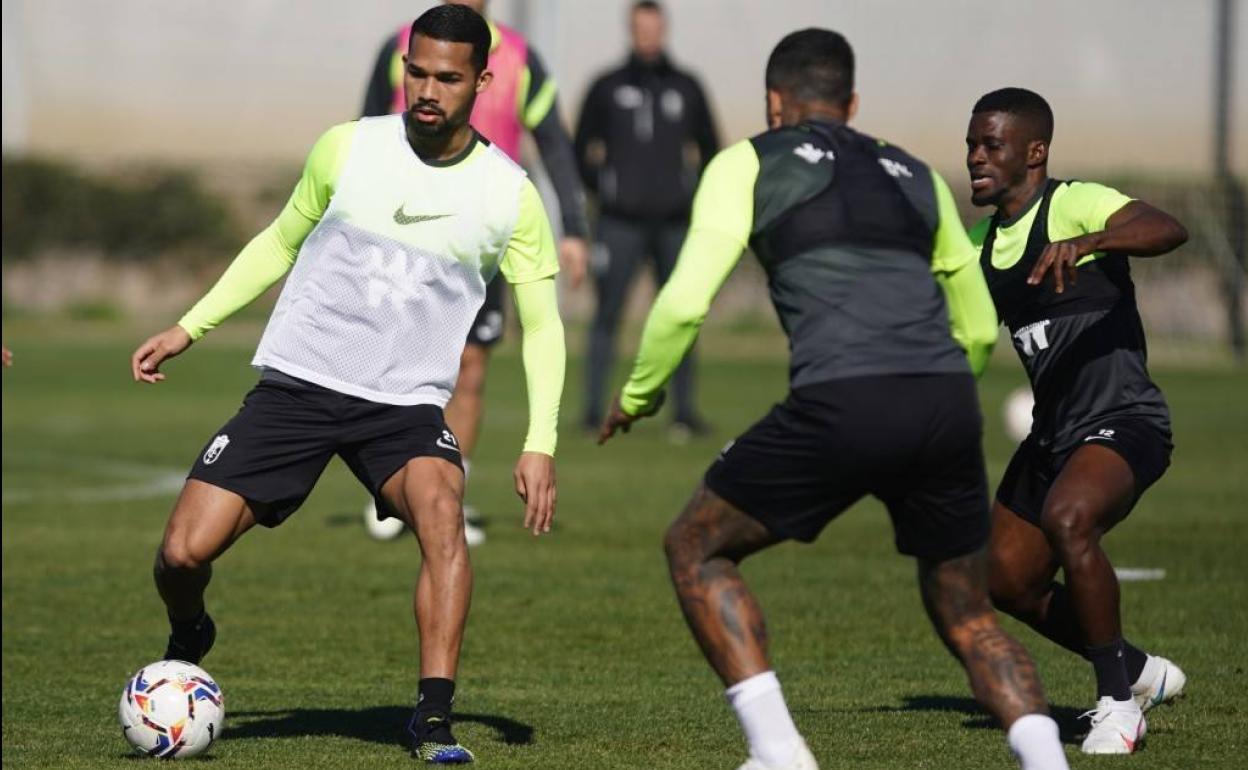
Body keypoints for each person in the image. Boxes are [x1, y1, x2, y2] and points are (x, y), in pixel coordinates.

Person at [600, 29, 1069, 770]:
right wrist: (933, 399)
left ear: (773, 103)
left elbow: (683, 303)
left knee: (695, 547)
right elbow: (977, 321)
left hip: (844, 399)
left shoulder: (746, 161)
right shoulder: (913, 173)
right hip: (944, 401)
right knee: (968, 612)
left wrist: (639, 397)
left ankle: (778, 750)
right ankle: (1047, 760)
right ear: (851, 105)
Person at [130, 5, 564, 763]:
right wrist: (188, 327)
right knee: (181, 556)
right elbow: (279, 241)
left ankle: (431, 720)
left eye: (448, 78)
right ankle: (192, 630)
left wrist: (540, 443)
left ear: (483, 81)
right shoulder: (347, 147)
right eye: (417, 72)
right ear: (404, 67)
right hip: (298, 388)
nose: (428, 90)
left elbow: (547, 324)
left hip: (402, 410)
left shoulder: (509, 194)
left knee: (442, 514)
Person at [966, 87, 1189, 755]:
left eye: (990, 145)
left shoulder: (1075, 202)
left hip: (1126, 420)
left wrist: (1091, 241)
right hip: (1052, 436)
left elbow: (1167, 228)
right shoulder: (979, 246)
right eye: (971, 145)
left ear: (1033, 153)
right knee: (1005, 578)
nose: (975, 157)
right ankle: (1140, 670)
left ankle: (1118, 707)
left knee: (1069, 519)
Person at [362, 0, 588, 543]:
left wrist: (574, 226)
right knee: (391, 363)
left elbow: (554, 141)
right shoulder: (400, 45)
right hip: (405, 229)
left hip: (482, 238)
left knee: (471, 369)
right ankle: (387, 487)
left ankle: (445, 497)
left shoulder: (519, 56)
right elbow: (363, 132)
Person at [576, 0, 718, 438]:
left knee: (680, 315)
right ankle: (592, 408)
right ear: (630, 30)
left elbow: (711, 148)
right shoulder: (606, 86)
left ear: (665, 30)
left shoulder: (687, 87)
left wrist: (691, 193)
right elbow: (581, 147)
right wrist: (609, 188)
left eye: (655, 29)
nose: (648, 37)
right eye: (641, 29)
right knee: (607, 315)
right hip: (620, 223)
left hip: (675, 223)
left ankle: (684, 412)